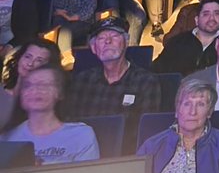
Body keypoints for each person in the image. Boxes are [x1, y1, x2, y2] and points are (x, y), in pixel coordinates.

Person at [67, 17, 161, 147]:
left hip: (124, 155)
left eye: (115, 36)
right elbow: (70, 124)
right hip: (82, 152)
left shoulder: (145, 81)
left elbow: (145, 132)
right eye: (101, 38)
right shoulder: (81, 81)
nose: (108, 41)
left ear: (126, 42)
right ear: (94, 48)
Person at [3, 65, 99, 164]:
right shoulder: (7, 140)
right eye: (28, 85)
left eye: (44, 85)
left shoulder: (81, 135)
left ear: (59, 92)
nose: (35, 90)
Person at [156, 0, 219, 75]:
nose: (212, 18)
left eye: (217, 13)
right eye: (206, 14)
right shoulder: (177, 42)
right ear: (196, 20)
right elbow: (157, 71)